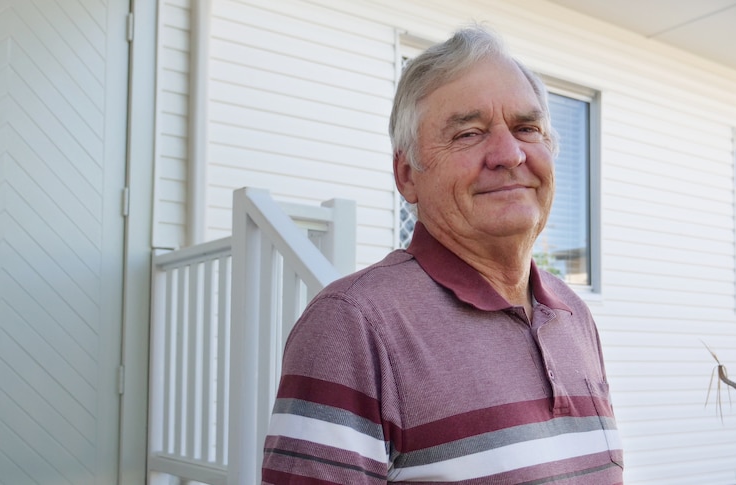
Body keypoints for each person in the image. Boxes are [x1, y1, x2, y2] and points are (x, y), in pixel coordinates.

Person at [262, 25, 623, 484]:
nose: (509, 154)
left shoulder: (574, 315)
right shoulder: (353, 326)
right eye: (469, 133)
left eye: (527, 128)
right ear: (407, 174)